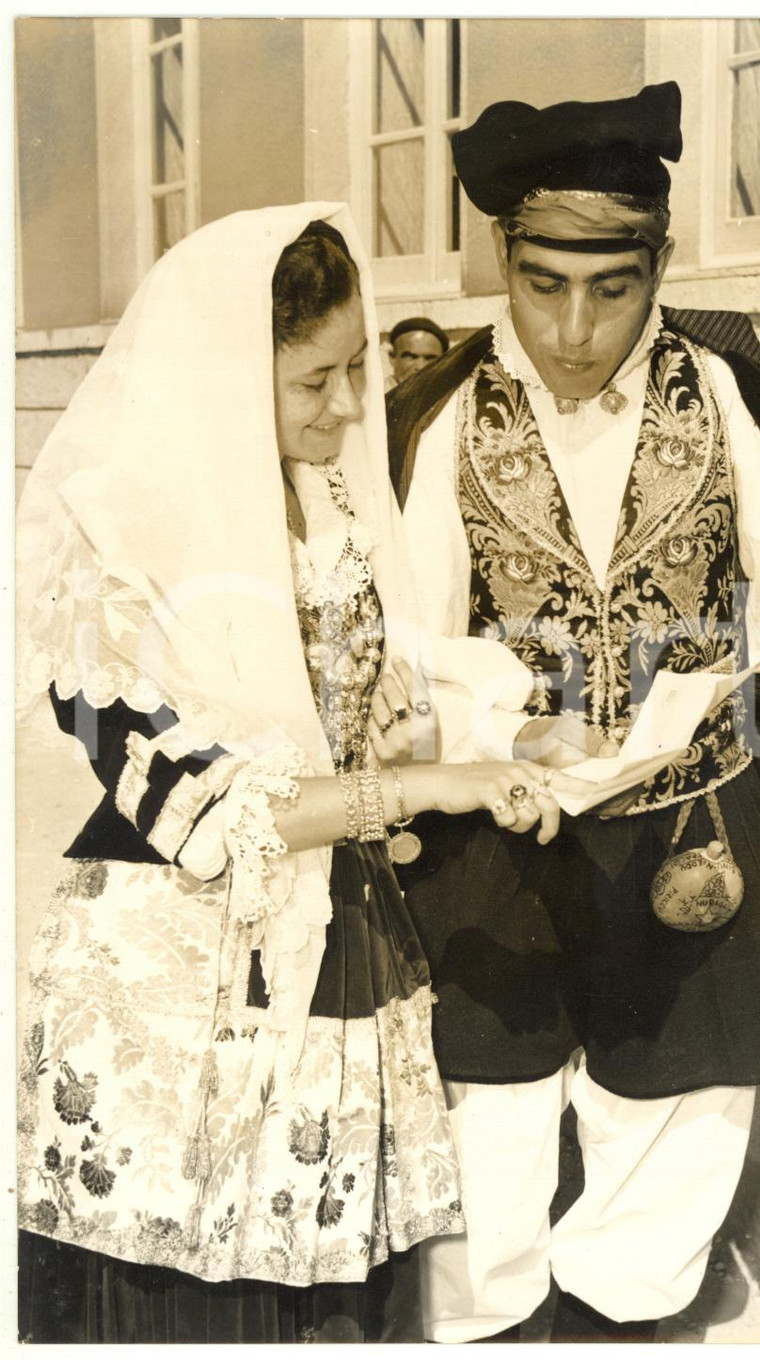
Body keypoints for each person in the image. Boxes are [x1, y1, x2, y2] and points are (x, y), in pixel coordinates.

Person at [387, 84, 760, 1342]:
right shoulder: (433, 427)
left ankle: (626, 1320)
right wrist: (496, 721)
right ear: (500, 260)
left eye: (613, 286)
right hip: (500, 832)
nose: (575, 328)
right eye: (543, 285)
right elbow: (398, 637)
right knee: (488, 1111)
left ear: (661, 263)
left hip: (686, 826)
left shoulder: (723, 392)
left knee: (680, 1111)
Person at [15, 203, 571, 1344]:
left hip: (340, 956)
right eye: (315, 380)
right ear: (223, 377)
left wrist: (495, 741)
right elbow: (211, 819)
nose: (352, 406)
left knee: (328, 1291)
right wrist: (432, 788)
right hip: (173, 992)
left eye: (359, 368)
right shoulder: (110, 567)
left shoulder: (331, 521)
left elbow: (372, 713)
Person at [388, 316, 450, 387]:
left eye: (430, 358)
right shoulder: (375, 395)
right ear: (392, 358)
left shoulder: (454, 396)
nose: (420, 367)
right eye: (411, 357)